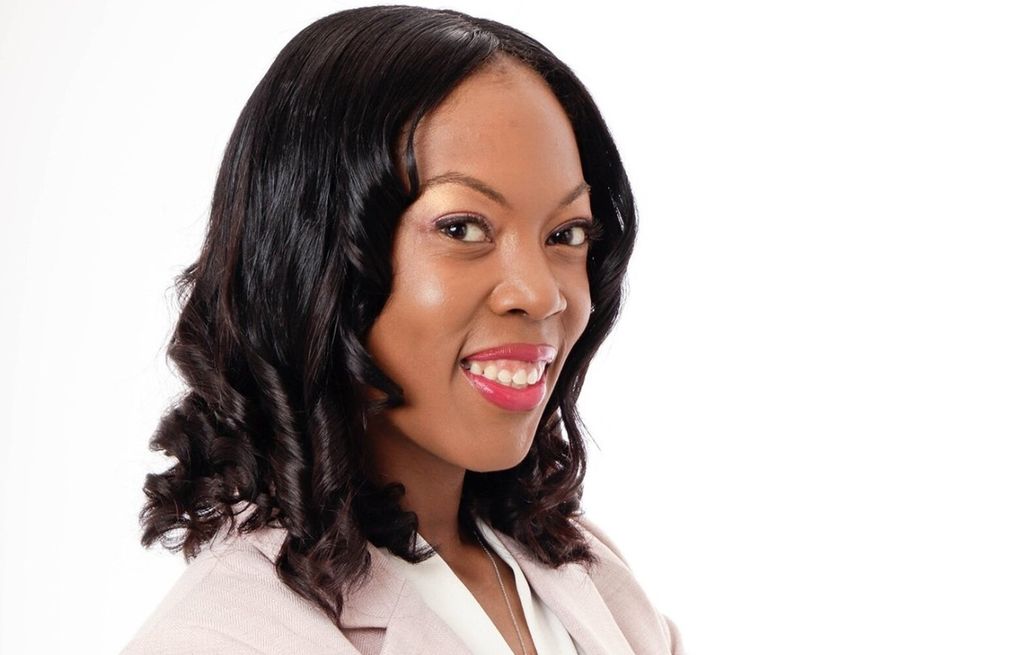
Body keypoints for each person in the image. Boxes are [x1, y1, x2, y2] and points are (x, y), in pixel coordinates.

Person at [120, 5, 683, 654]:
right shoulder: (223, 638)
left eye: (566, 233)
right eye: (462, 228)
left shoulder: (584, 570)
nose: (540, 293)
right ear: (311, 258)